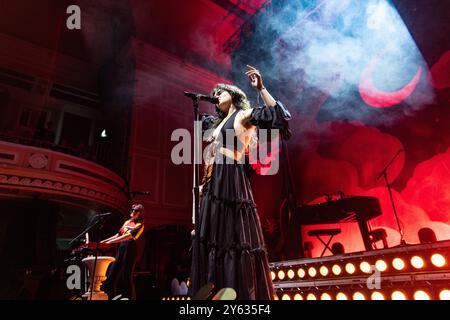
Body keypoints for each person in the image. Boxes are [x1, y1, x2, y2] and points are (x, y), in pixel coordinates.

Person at [189, 65, 291, 300]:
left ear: (234, 96)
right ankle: (215, 290)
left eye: (220, 92)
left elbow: (277, 116)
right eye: (214, 95)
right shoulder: (217, 123)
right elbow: (203, 128)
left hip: (230, 176)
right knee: (213, 236)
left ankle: (239, 293)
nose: (215, 97)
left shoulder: (243, 116)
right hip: (213, 179)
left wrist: (261, 88)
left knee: (232, 235)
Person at [101, 203, 145, 300]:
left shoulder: (140, 224)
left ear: (140, 213)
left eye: (136, 211)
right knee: (111, 277)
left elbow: (127, 236)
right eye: (132, 210)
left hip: (130, 248)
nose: (133, 212)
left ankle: (130, 298)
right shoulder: (126, 222)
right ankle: (111, 297)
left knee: (126, 277)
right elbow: (118, 235)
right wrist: (104, 241)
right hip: (121, 247)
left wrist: (110, 242)